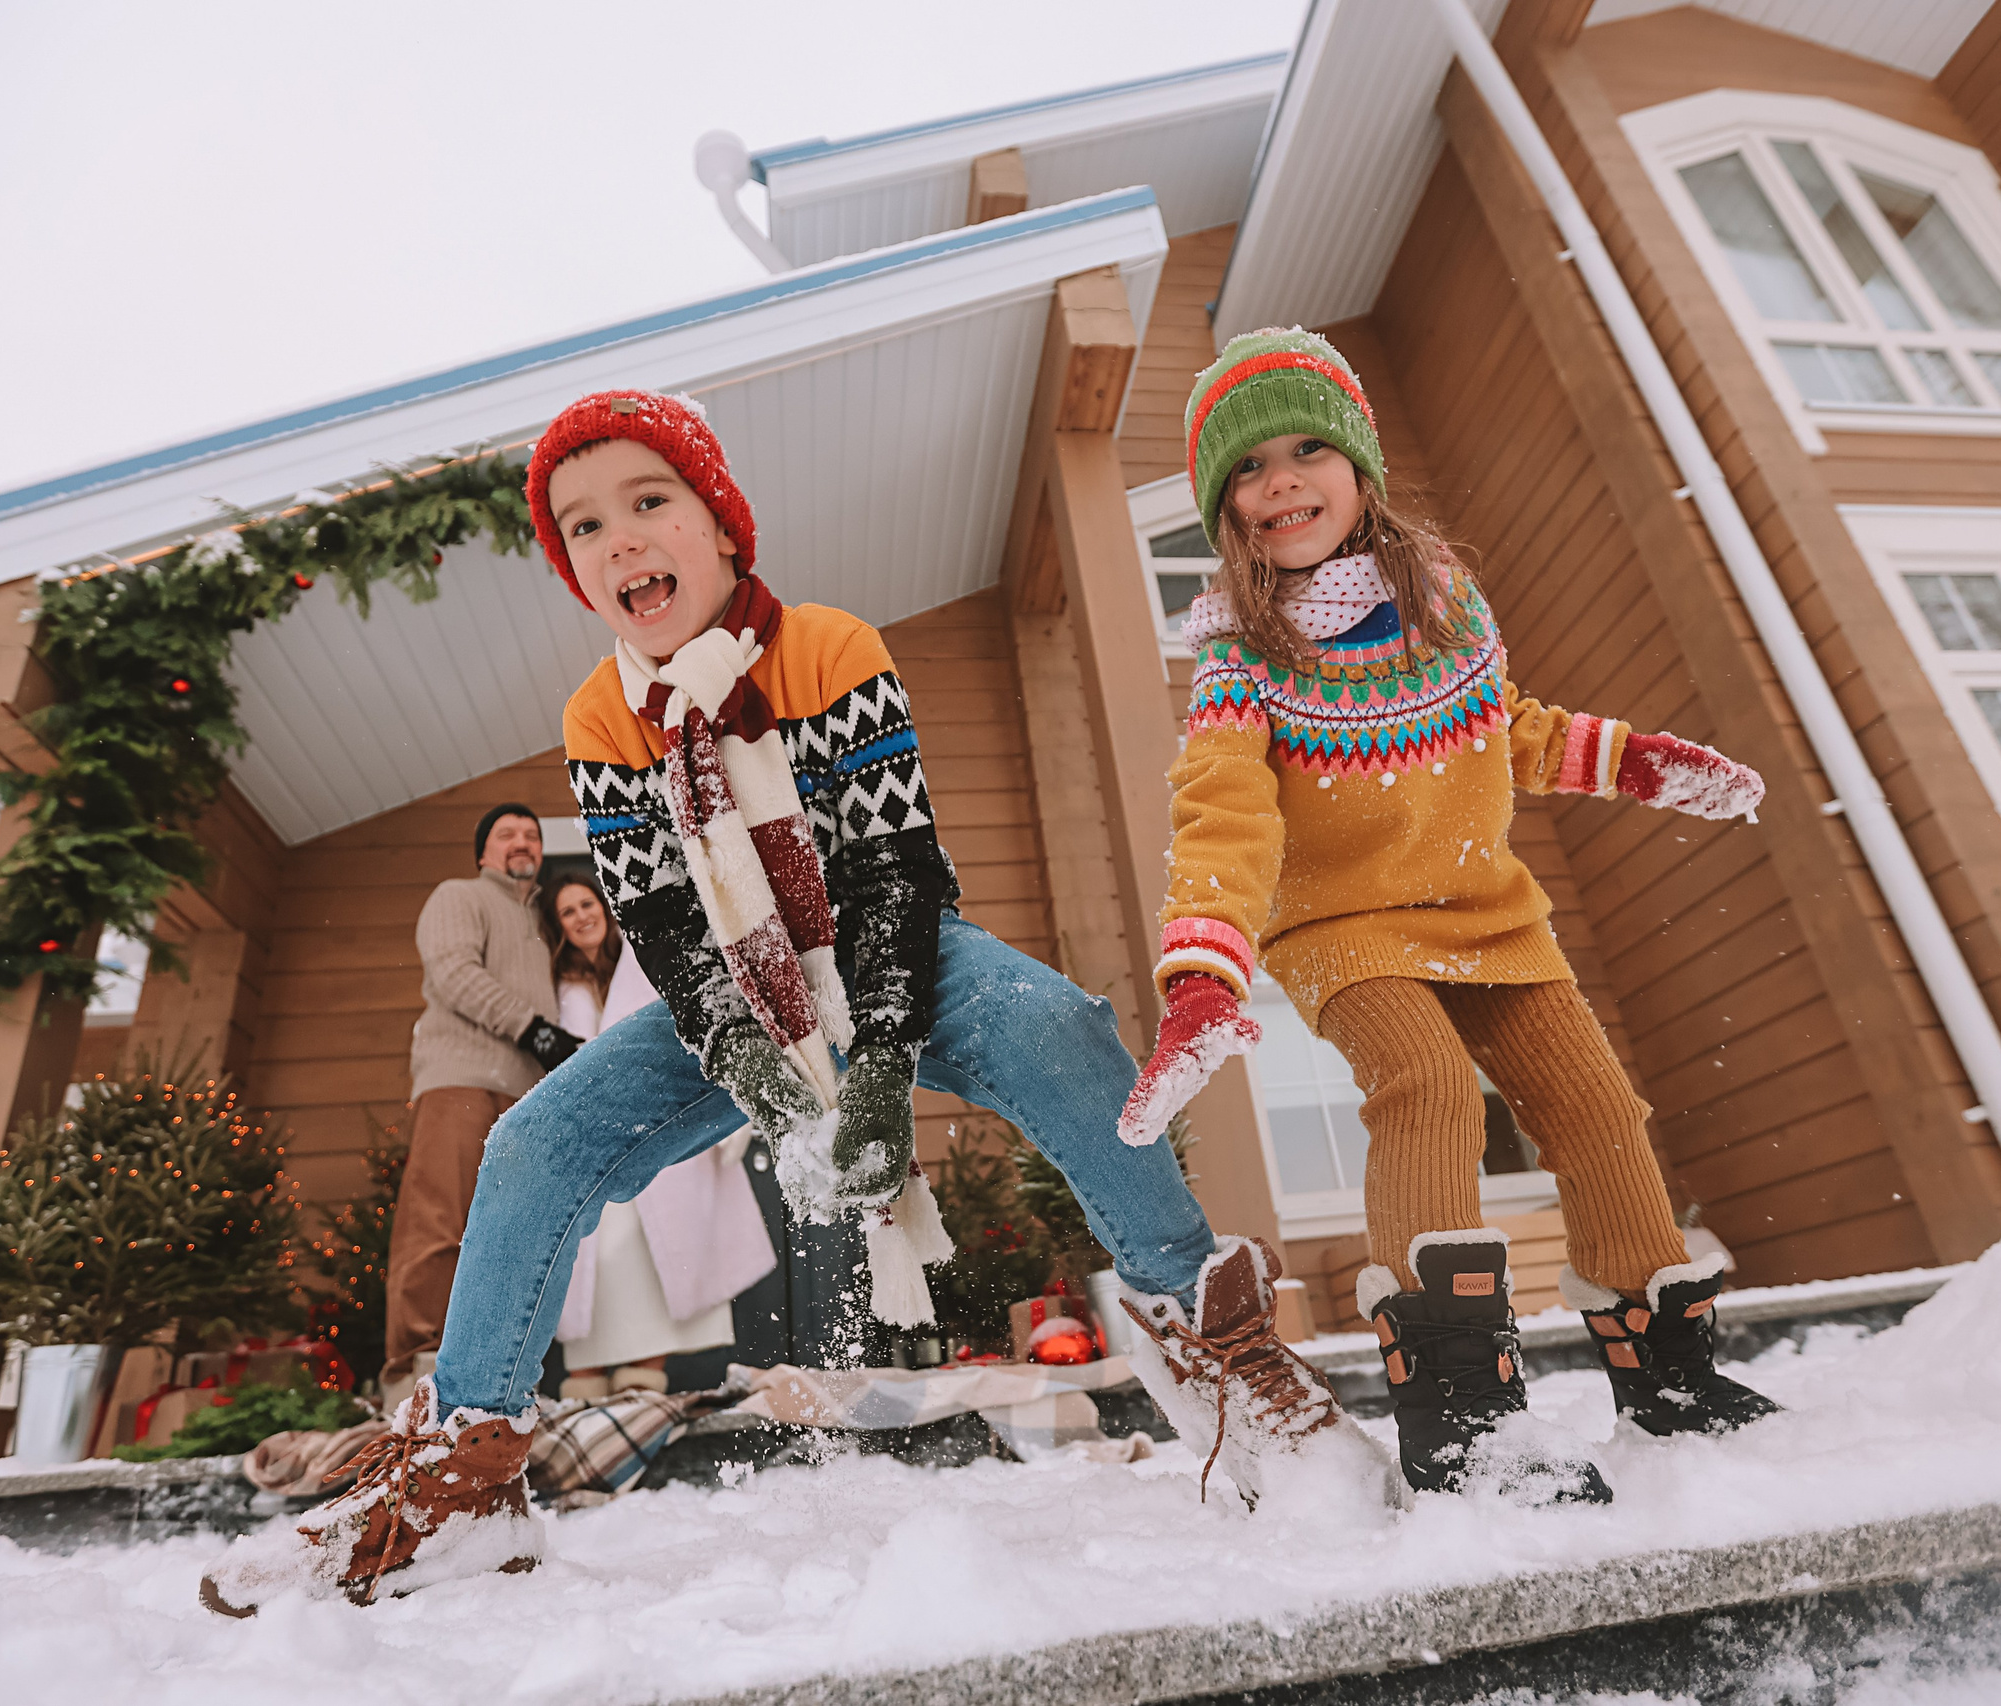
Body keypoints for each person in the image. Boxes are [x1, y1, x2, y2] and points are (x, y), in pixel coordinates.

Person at [201, 389, 1388, 1615]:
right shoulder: (602, 718)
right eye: (582, 525)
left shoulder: (826, 646)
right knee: (533, 1139)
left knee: (1056, 1027)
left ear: (719, 525)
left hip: (895, 955)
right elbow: (661, 920)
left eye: (647, 501)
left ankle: (1220, 1347)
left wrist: (872, 1067)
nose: (619, 539)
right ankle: (460, 1476)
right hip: (730, 994)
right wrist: (762, 1072)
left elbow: (892, 871)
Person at [1119, 329, 1781, 1506]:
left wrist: (1626, 760)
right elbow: (1218, 811)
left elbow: (1504, 725)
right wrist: (1204, 971)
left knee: (1597, 1108)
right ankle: (1462, 1412)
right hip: (1345, 927)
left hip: (1491, 911)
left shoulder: (1444, 601)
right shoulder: (1238, 654)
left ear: (1358, 468)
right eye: (1249, 467)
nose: (1281, 482)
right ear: (1226, 507)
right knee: (1420, 1083)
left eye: (1306, 449)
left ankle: (1669, 1371)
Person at [538, 872, 775, 1397]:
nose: (581, 916)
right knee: (597, 1282)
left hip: (656, 1143)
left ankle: (640, 1405)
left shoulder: (646, 967)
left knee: (657, 1270)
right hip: (592, 1154)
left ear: (604, 906)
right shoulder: (556, 990)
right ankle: (589, 1413)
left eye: (586, 904)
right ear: (558, 929)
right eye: (567, 912)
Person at [382, 804, 577, 1413]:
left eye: (532, 835)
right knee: (440, 1219)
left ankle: (489, 1380)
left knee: (505, 1234)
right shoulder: (459, 895)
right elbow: (452, 974)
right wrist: (534, 1030)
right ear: (483, 852)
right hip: (462, 1080)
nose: (522, 843)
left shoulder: (544, 925)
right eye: (507, 834)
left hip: (525, 1096)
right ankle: (411, 1371)